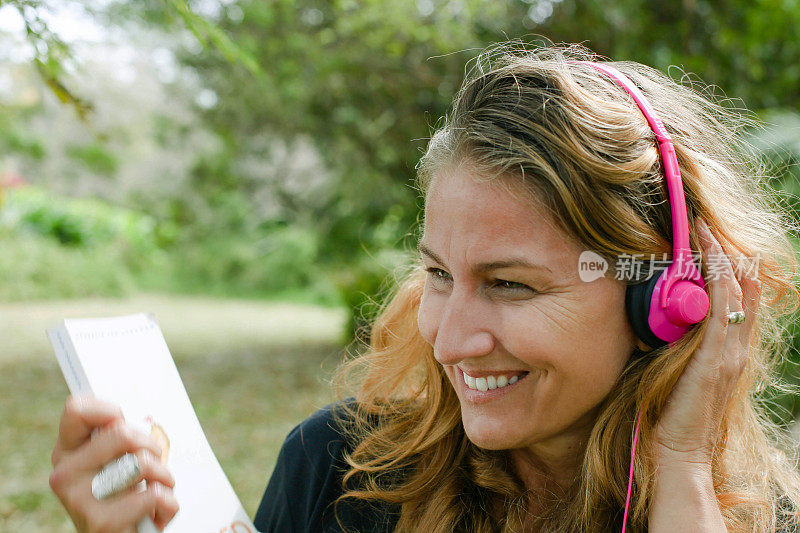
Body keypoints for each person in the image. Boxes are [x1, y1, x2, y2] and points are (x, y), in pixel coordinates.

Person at [49, 42, 800, 532]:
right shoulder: (337, 470)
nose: (448, 335)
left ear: (665, 297)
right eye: (439, 273)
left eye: (510, 284)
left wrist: (683, 467)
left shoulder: (765, 512)